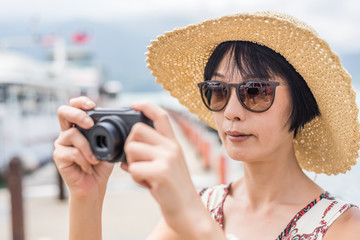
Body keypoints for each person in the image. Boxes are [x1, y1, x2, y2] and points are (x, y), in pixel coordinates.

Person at [53, 11, 360, 240]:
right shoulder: (206, 205)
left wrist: (193, 221)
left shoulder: (342, 227)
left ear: (302, 104)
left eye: (255, 91)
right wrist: (87, 199)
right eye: (218, 91)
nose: (232, 112)